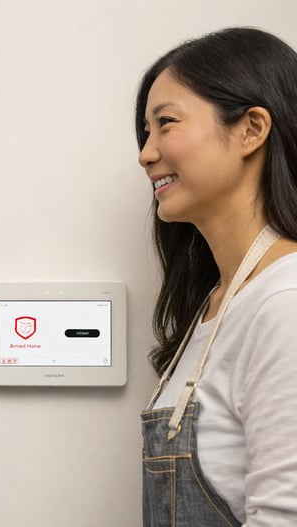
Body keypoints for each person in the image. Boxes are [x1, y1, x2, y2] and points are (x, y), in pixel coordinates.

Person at [136, 27, 297, 526]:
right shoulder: (215, 303)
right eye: (146, 132)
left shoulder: (285, 300)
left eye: (166, 123)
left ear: (251, 129)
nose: (145, 153)